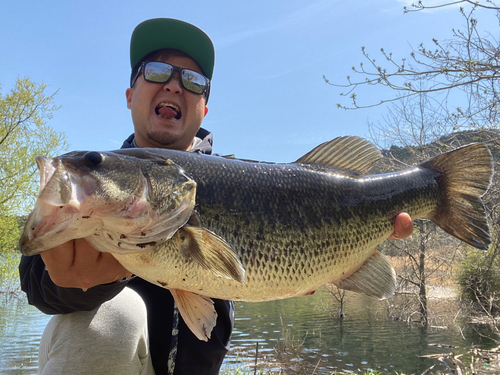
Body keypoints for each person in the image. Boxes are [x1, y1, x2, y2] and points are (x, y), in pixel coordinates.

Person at [19, 18, 414, 375]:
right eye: (156, 71)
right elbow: (36, 283)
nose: (173, 84)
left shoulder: (229, 177)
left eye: (192, 80)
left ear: (203, 109)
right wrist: (76, 281)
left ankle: (432, 187)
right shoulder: (96, 186)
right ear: (130, 94)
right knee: (113, 317)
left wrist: (329, 262)